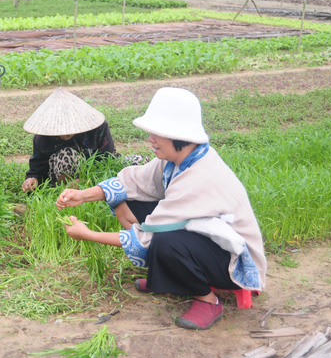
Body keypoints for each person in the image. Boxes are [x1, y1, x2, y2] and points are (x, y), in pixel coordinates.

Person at [56, 87, 267, 330]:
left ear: (178, 134)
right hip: (211, 239)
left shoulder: (199, 177)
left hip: (233, 261)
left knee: (166, 242)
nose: (150, 139)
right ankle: (167, 273)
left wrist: (88, 235)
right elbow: (134, 182)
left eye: (157, 133)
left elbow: (148, 235)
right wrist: (83, 195)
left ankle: (207, 299)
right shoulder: (181, 158)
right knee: (130, 201)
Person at [22, 88, 118, 193]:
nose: (65, 133)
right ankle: (65, 190)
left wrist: (85, 179)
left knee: (135, 162)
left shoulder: (98, 129)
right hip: (59, 180)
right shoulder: (42, 138)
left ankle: (88, 189)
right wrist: (33, 179)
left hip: (95, 177)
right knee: (67, 154)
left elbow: (109, 160)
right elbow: (37, 170)